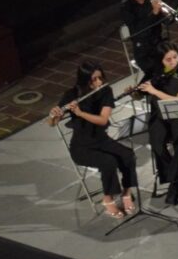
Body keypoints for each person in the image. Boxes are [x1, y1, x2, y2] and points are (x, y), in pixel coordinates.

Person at [49, 62, 138, 219]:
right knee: (108, 161)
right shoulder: (72, 94)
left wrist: (80, 113)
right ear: (84, 80)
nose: (98, 82)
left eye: (100, 78)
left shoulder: (105, 91)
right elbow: (52, 123)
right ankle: (108, 198)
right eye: (93, 79)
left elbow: (103, 120)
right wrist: (54, 114)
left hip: (101, 140)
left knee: (128, 155)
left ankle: (126, 193)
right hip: (81, 147)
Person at [137, 42, 178, 205]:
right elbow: (140, 94)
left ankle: (174, 186)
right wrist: (134, 93)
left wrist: (154, 91)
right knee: (157, 144)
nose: (174, 61)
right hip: (159, 117)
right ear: (160, 61)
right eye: (168, 59)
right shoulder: (155, 73)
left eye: (175, 57)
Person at [119, 0, 167, 75]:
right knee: (159, 72)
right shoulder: (126, 7)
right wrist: (154, 13)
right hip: (143, 51)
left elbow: (167, 22)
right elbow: (139, 31)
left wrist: (164, 12)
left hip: (160, 45)